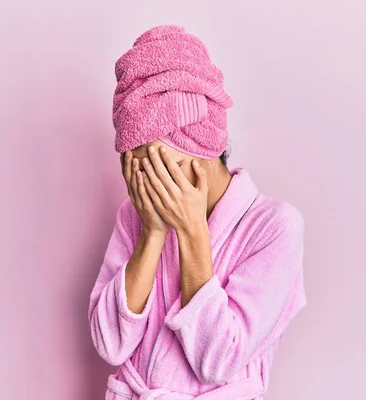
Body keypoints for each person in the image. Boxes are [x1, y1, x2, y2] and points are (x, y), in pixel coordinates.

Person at [88, 24, 307, 400]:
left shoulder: (274, 227)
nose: (145, 182)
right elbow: (110, 345)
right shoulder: (135, 215)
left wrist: (192, 233)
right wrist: (152, 235)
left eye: (156, 165)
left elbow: (219, 361)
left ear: (202, 151)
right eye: (133, 167)